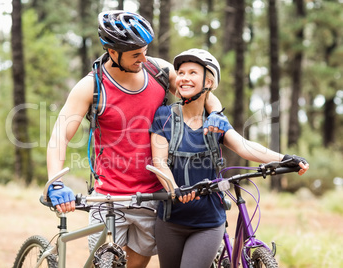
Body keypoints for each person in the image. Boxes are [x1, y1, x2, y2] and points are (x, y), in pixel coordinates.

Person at [46, 11, 225, 268]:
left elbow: (203, 93)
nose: (143, 58)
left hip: (153, 197)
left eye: (145, 50)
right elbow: (59, 136)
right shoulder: (92, 86)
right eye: (135, 54)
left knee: (137, 264)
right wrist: (56, 183)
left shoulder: (159, 71)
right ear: (111, 51)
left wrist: (216, 113)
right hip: (108, 197)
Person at [149, 48, 310, 268]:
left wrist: (284, 158)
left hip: (207, 223)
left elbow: (245, 147)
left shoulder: (217, 121)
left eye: (193, 73)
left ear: (209, 82)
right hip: (170, 221)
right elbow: (159, 161)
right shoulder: (163, 117)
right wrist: (174, 189)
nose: (184, 77)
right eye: (181, 73)